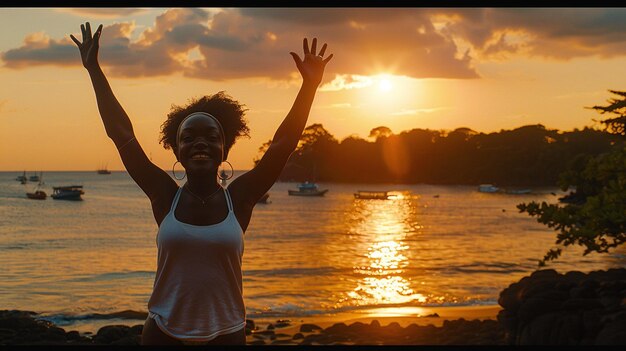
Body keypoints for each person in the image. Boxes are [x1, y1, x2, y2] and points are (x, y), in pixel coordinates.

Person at [70, 22, 333, 345]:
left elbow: (282, 144)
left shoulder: (241, 198)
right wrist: (94, 69)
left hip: (227, 333)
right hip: (163, 334)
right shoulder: (164, 195)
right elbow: (121, 134)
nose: (200, 143)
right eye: (188, 138)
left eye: (211, 137)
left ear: (225, 149)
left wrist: (309, 86)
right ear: (176, 150)